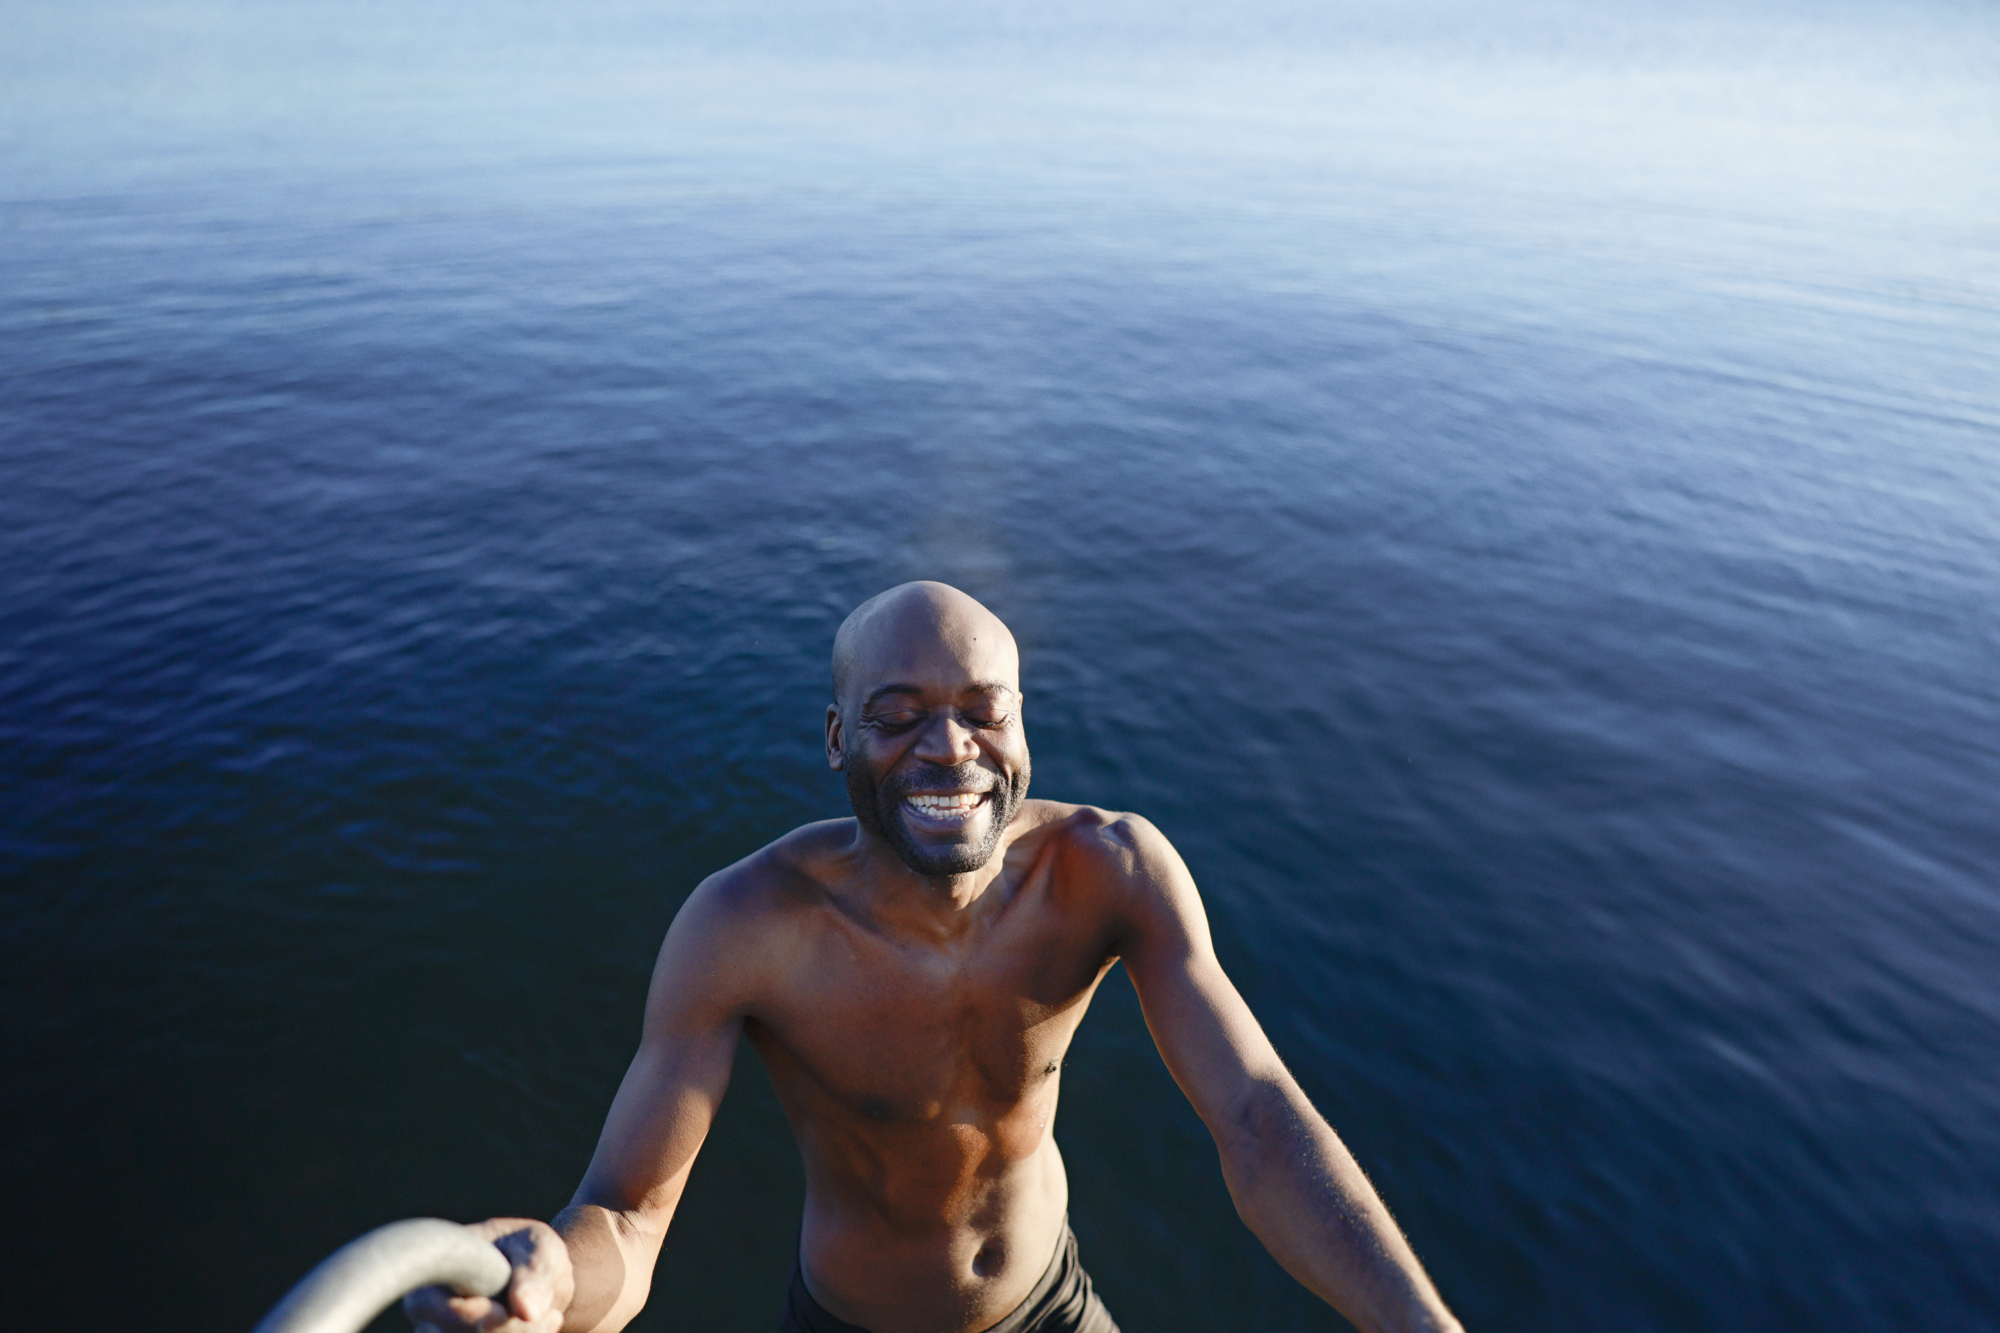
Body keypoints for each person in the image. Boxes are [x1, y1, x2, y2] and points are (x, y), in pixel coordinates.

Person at [406, 581, 1464, 1333]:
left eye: (980, 712)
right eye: (897, 715)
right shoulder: (745, 926)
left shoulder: (1109, 871)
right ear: (834, 739)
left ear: (1021, 727)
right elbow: (628, 1223)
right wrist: (548, 1284)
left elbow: (1255, 1118)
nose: (947, 748)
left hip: (1051, 1302)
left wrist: (1413, 1319)